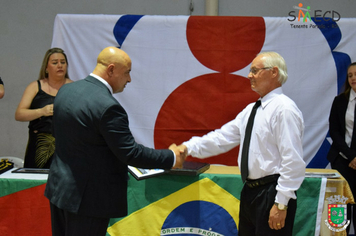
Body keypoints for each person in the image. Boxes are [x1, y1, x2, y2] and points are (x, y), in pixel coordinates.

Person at [44, 46, 185, 236]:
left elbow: (64, 136)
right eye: (127, 73)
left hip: (60, 191)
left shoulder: (66, 91)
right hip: (88, 201)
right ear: (111, 70)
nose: (129, 79)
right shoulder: (108, 107)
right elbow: (130, 153)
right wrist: (171, 157)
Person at [178, 52, 305, 236]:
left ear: (274, 72)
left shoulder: (284, 109)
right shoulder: (251, 110)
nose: (249, 75)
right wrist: (187, 148)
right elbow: (221, 139)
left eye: (254, 70)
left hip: (272, 193)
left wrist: (281, 203)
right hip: (250, 191)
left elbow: (292, 160)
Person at [15, 48, 72, 168]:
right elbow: (19, 114)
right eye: (55, 62)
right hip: (39, 146)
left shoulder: (74, 87)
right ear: (46, 68)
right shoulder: (35, 86)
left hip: (66, 145)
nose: (60, 66)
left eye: (63, 62)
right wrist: (42, 111)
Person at [327, 62, 356, 234]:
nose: (353, 78)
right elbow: (335, 131)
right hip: (342, 162)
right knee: (339, 209)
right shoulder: (340, 101)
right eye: (350, 75)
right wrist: (351, 156)